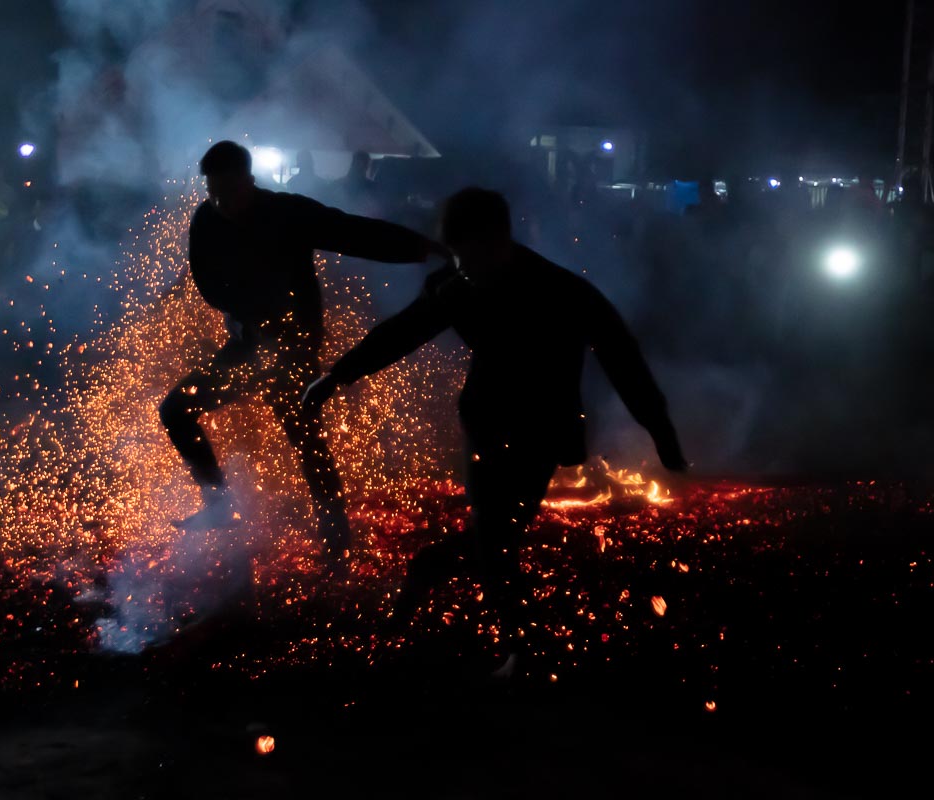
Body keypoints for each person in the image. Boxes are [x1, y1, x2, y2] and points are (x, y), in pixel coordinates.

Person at [304, 187, 687, 666]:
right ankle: (516, 648)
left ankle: (435, 576)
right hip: (485, 422)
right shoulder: (457, 285)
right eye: (457, 256)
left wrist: (660, 431)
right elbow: (402, 332)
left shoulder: (563, 292)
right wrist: (337, 376)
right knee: (492, 535)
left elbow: (623, 359)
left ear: (499, 241)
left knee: (497, 539)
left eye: (471, 256)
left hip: (544, 429)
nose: (463, 268)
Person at [161, 141, 443, 561]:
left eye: (228, 193)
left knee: (304, 435)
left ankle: (336, 537)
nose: (221, 203)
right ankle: (218, 505)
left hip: (293, 347)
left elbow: (355, 233)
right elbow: (207, 284)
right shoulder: (206, 220)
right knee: (175, 410)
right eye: (213, 194)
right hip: (247, 346)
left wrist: (427, 250)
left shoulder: (287, 212)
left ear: (249, 181)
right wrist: (247, 312)